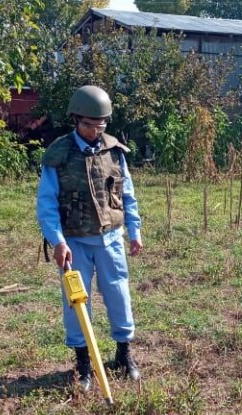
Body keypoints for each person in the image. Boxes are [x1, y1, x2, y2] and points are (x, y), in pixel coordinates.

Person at [36, 85, 143, 392]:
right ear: (75, 120)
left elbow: (127, 195)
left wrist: (134, 231)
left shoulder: (114, 151)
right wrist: (57, 241)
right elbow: (46, 203)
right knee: (76, 305)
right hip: (75, 244)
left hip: (110, 239)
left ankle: (124, 357)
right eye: (88, 125)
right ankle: (83, 365)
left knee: (119, 296)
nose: (95, 132)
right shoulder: (58, 154)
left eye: (101, 125)